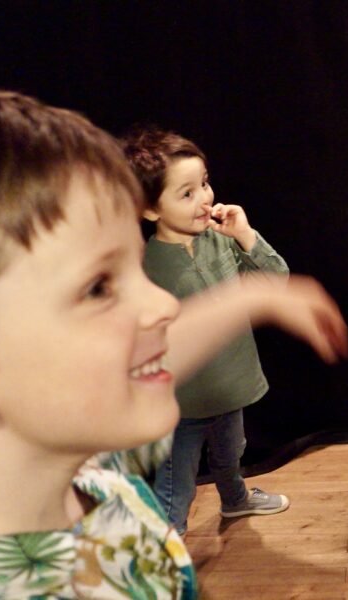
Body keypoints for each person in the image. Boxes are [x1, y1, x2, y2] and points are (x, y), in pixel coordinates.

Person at [0, 91, 348, 598]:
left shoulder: (95, 468)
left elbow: (127, 360)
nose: (164, 308)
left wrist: (251, 299)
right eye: (99, 287)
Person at [122, 126, 291, 535]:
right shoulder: (142, 267)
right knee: (176, 488)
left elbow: (277, 281)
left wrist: (246, 236)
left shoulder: (223, 240)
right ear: (149, 210)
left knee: (231, 455)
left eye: (204, 183)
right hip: (180, 408)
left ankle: (234, 499)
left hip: (231, 389)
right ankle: (169, 546)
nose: (205, 198)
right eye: (186, 193)